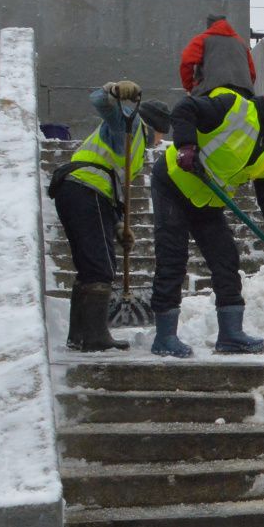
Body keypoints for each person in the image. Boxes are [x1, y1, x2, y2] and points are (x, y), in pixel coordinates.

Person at [149, 84, 264, 357]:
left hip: (208, 200)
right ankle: (164, 337)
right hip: (174, 182)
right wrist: (186, 146)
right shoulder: (235, 108)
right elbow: (185, 109)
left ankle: (231, 334)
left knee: (226, 259)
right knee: (172, 257)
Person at [48, 79, 159, 352]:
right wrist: (113, 91)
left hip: (82, 192)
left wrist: (119, 226)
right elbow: (100, 101)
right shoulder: (129, 126)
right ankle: (96, 337)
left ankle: (79, 336)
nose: (161, 142)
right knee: (101, 268)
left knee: (90, 267)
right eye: (161, 135)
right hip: (86, 189)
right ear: (154, 127)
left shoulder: (135, 149)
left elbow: (115, 186)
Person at [178, 14, 256, 97]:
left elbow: (186, 61)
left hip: (210, 93)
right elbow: (252, 73)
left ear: (209, 25)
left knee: (184, 108)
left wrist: (190, 87)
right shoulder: (241, 43)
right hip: (243, 94)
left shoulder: (202, 39)